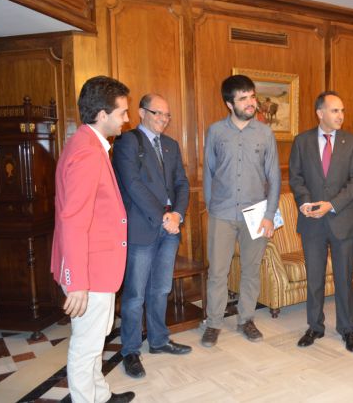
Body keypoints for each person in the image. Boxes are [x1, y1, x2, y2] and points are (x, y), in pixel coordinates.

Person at [50, 76, 134, 403]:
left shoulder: (87, 144)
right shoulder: (87, 152)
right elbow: (73, 221)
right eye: (123, 112)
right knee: (86, 345)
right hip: (90, 270)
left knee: (95, 339)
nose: (127, 119)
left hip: (96, 267)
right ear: (102, 114)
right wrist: (77, 282)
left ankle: (100, 395)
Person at [112, 94, 191, 379]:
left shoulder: (170, 145)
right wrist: (163, 216)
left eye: (167, 116)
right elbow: (132, 184)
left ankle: (158, 340)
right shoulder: (126, 142)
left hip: (170, 226)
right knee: (134, 295)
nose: (163, 120)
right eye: (158, 113)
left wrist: (177, 215)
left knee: (160, 289)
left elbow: (182, 183)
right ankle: (131, 350)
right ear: (141, 112)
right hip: (143, 227)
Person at [202, 74, 281, 347]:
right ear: (229, 103)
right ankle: (213, 323)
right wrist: (212, 207)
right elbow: (209, 173)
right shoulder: (215, 132)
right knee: (218, 272)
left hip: (256, 213)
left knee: (251, 269)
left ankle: (246, 319)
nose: (251, 102)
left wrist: (270, 215)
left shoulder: (264, 132)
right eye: (243, 98)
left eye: (252, 96)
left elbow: (274, 176)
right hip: (221, 213)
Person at [289, 91, 353, 352]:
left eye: (342, 110)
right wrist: (307, 203)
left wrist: (331, 205)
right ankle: (315, 327)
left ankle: (347, 329)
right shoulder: (302, 141)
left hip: (342, 220)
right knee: (315, 279)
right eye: (335, 111)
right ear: (320, 113)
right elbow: (296, 178)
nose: (341, 116)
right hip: (312, 222)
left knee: (344, 278)